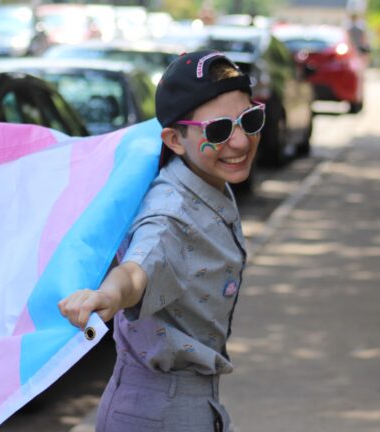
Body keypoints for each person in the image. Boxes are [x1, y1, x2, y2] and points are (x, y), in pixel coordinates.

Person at [58, 50, 265, 432]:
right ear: (173, 138)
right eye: (218, 130)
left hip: (185, 405)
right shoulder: (170, 212)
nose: (240, 142)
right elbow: (140, 267)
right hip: (159, 414)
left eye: (250, 120)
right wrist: (109, 296)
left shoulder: (204, 176)